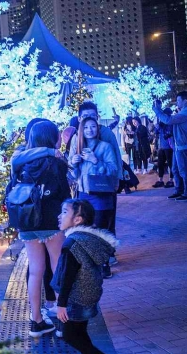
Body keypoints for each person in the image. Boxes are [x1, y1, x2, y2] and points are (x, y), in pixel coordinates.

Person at [52, 199, 122, 354]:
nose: (60, 215)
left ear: (77, 220)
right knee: (80, 334)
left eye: (65, 212)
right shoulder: (88, 240)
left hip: (76, 298)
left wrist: (61, 303)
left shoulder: (71, 244)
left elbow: (68, 276)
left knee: (70, 336)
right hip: (89, 295)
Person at [9, 121, 70, 337]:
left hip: (26, 221)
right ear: (53, 138)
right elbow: (65, 195)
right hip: (51, 222)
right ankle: (64, 323)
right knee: (58, 268)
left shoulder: (20, 162)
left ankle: (36, 320)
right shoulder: (56, 162)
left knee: (36, 270)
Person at [69, 102, 122, 270]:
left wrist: (115, 180)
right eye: (85, 119)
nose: (89, 126)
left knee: (104, 225)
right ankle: (94, 260)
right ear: (79, 120)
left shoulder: (106, 136)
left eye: (93, 119)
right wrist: (73, 163)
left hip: (103, 189)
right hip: (84, 191)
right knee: (87, 227)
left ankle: (106, 259)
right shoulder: (77, 141)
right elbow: (72, 170)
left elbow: (115, 164)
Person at [152, 92, 187, 201]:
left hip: (183, 145)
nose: (177, 103)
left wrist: (157, 111)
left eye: (178, 100)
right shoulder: (184, 112)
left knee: (184, 170)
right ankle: (179, 191)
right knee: (176, 170)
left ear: (185, 100)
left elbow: (169, 120)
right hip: (178, 145)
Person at [152, 112, 175, 189]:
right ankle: (160, 180)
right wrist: (157, 127)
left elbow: (169, 133)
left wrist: (162, 128)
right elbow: (155, 132)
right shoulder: (161, 123)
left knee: (170, 164)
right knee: (160, 164)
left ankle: (171, 180)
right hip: (161, 147)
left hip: (169, 147)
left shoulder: (170, 123)